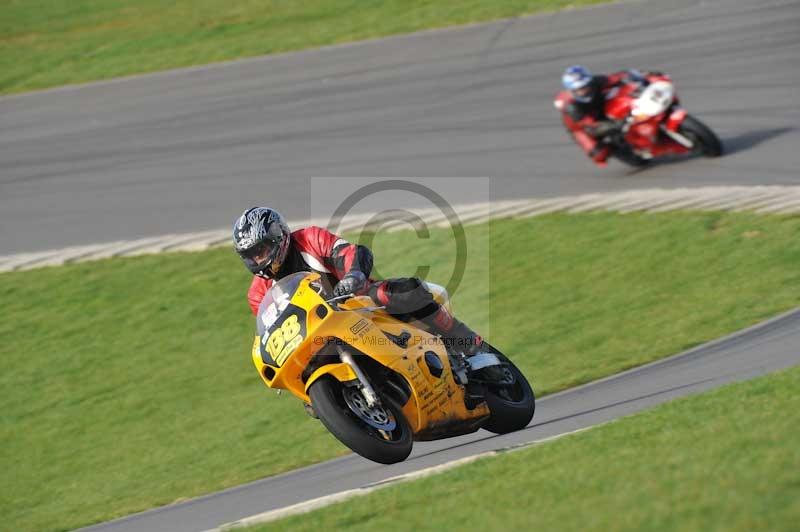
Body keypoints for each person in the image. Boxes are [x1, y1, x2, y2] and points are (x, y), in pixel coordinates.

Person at [233, 206, 483, 355]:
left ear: (278, 236)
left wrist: (353, 275)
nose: (258, 259)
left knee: (401, 292)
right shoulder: (257, 294)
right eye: (251, 255)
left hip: (358, 302)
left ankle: (467, 342)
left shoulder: (309, 239)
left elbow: (349, 252)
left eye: (262, 249)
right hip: (319, 335)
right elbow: (273, 333)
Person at [558, 65, 663, 166]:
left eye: (586, 86)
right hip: (582, 126)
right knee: (599, 153)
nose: (584, 91)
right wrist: (616, 125)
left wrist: (644, 75)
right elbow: (591, 128)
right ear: (572, 91)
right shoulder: (572, 107)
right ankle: (619, 148)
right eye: (579, 89)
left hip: (599, 106)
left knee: (624, 97)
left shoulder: (597, 81)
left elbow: (619, 77)